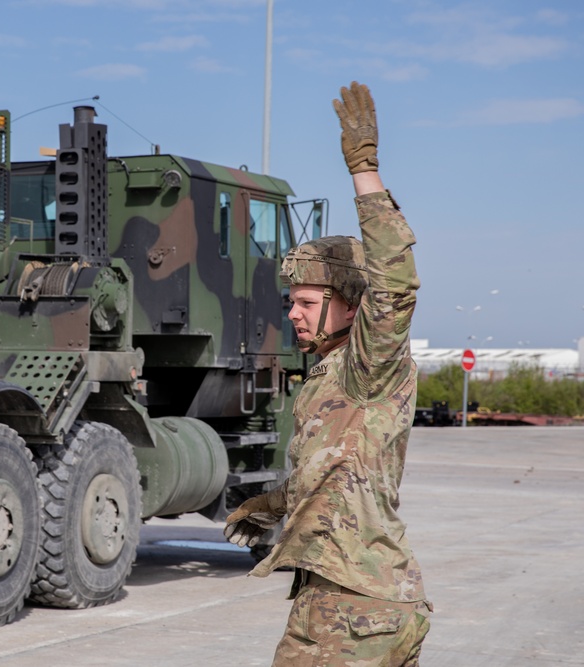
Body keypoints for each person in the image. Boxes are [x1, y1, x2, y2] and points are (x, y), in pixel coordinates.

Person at [224, 81, 432, 666]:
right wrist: (277, 501)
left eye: (307, 301)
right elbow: (343, 466)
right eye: (291, 300)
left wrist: (364, 170)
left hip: (352, 608)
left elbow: (394, 282)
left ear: (349, 302)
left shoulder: (371, 364)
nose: (292, 312)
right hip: (362, 599)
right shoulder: (331, 375)